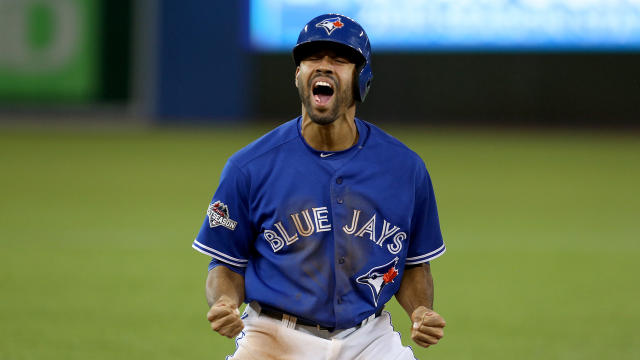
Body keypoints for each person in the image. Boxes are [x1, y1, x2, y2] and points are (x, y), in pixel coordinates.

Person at [192, 13, 446, 360]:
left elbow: (415, 264)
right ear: (298, 75)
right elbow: (225, 263)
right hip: (274, 336)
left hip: (369, 338)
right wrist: (224, 301)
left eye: (340, 59)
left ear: (361, 78)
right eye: (312, 58)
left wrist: (420, 310)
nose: (324, 66)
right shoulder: (248, 167)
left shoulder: (405, 168)